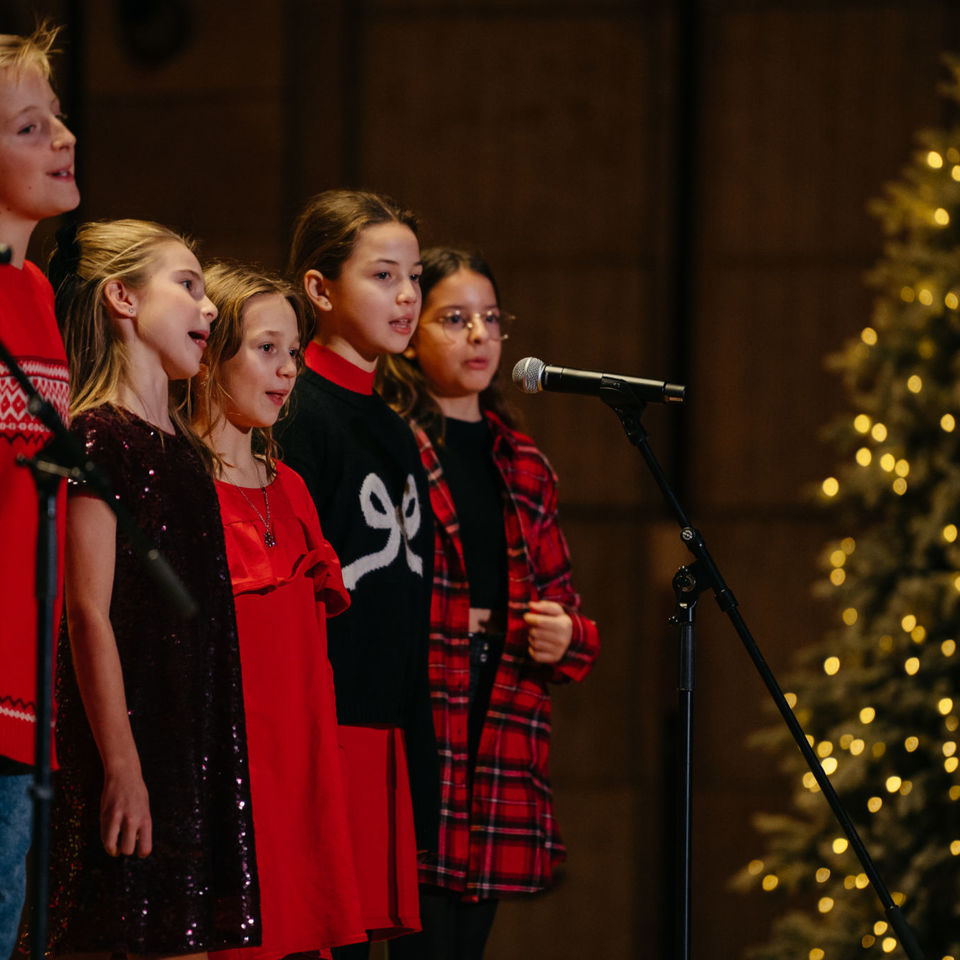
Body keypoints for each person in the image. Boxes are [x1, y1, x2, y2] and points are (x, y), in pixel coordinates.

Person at [45, 220, 260, 958]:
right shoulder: (99, 437)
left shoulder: (187, 454)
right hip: (127, 740)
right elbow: (86, 611)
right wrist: (123, 763)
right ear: (123, 299)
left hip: (188, 740)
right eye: (189, 287)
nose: (209, 310)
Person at [378, 248, 600, 960]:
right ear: (411, 334)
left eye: (491, 320)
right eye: (454, 319)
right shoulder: (393, 444)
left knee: (466, 945)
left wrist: (565, 632)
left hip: (500, 730)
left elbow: (569, 615)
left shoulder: (523, 462)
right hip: (418, 720)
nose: (480, 336)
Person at [277, 189, 438, 959]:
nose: (407, 295)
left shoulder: (394, 426)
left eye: (413, 276)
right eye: (381, 275)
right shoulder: (294, 413)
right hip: (320, 729)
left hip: (382, 734)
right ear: (319, 288)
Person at [191, 261, 365, 960]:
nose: (288, 370)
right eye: (266, 349)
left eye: (294, 352)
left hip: (299, 779)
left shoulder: (290, 485)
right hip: (224, 777)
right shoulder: (178, 479)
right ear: (209, 354)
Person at [0, 21, 79, 960]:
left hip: (28, 686)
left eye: (56, 119)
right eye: (30, 128)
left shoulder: (36, 295)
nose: (63, 138)